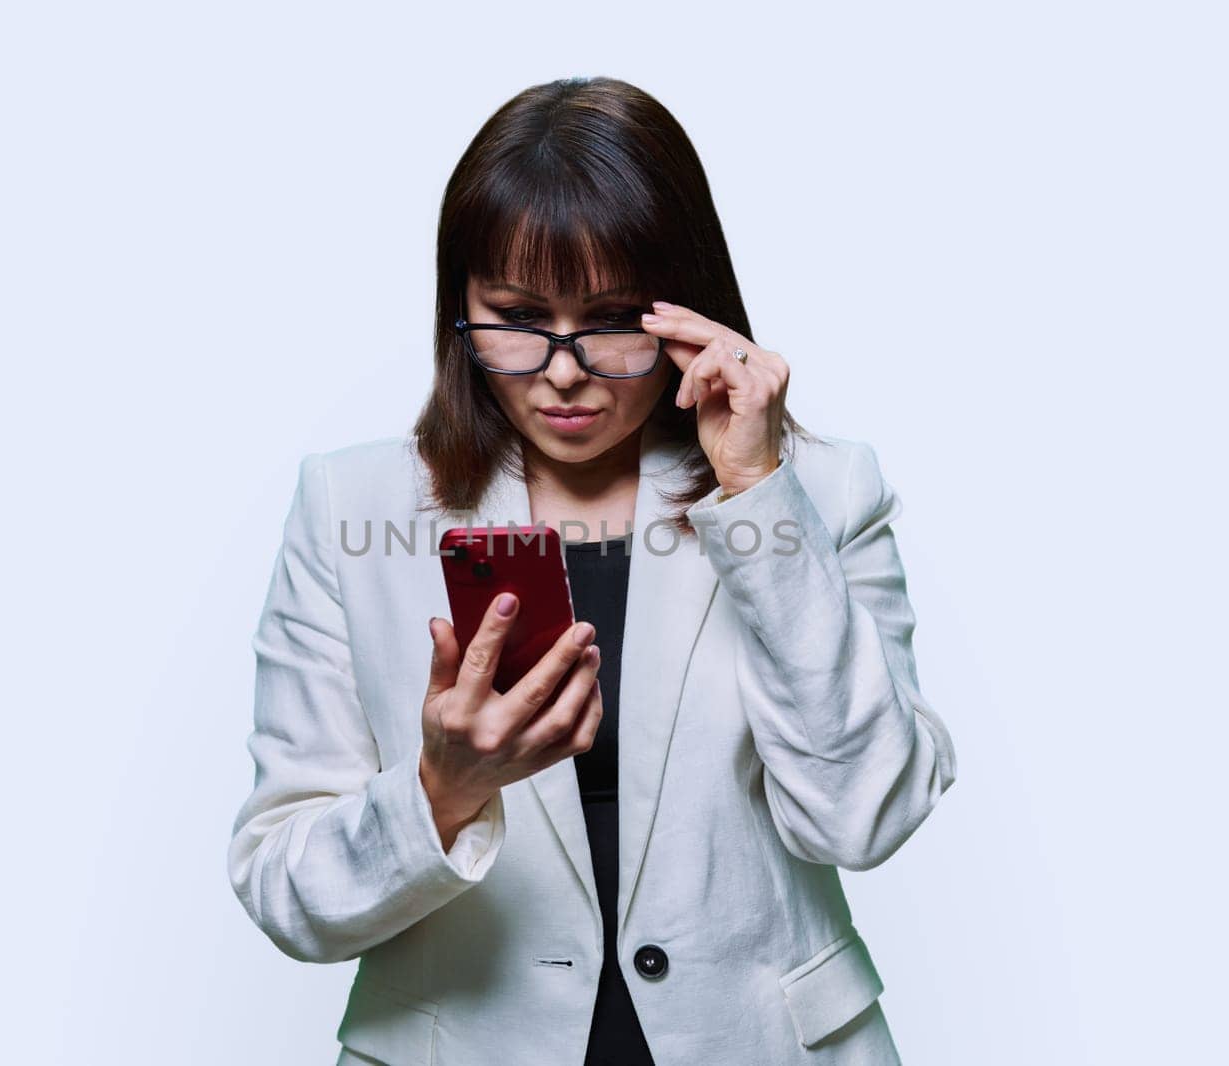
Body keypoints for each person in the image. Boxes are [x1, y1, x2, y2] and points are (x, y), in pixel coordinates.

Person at [226, 75, 957, 1066]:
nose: (563, 369)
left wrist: (754, 493)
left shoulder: (815, 493)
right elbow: (283, 886)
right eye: (518, 316)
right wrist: (439, 792)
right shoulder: (350, 508)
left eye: (611, 316)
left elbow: (864, 813)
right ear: (461, 307)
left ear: (684, 308)